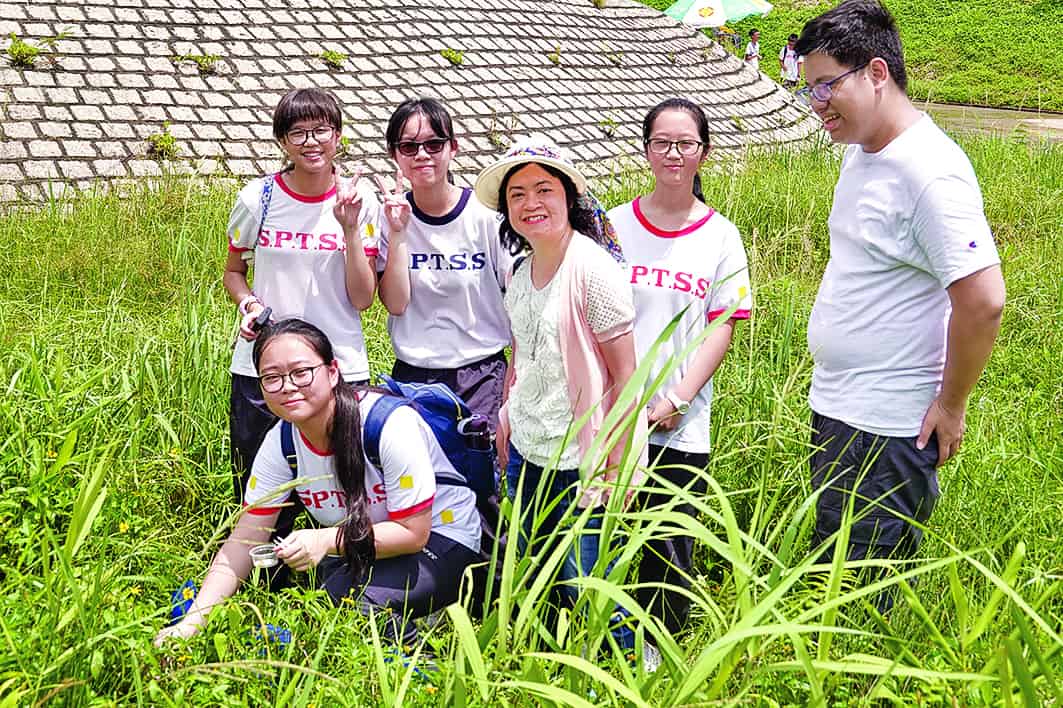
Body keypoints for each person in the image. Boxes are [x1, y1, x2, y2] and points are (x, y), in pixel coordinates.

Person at [795, 0, 1005, 603]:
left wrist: (951, 404)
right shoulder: (862, 153)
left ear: (878, 73)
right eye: (809, 88)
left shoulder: (931, 171)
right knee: (826, 577)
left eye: (828, 85)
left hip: (890, 427)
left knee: (863, 597)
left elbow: (984, 299)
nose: (818, 104)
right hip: (840, 406)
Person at [155, 319, 481, 646]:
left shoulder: (389, 425)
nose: (288, 386)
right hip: (369, 543)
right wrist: (192, 624)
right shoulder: (281, 443)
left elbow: (413, 533)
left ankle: (421, 661)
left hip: (441, 539)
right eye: (272, 378)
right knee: (327, 601)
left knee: (354, 606)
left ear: (333, 371)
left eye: (301, 372)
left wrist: (326, 541)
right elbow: (244, 542)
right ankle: (415, 613)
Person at [473, 135, 647, 652]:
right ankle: (548, 661)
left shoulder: (594, 270)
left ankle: (631, 668)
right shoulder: (521, 271)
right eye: (518, 194)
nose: (531, 204)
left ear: (568, 195)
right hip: (530, 447)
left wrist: (613, 471)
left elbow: (627, 380)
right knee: (533, 565)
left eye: (543, 190)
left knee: (590, 581)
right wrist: (507, 419)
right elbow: (521, 355)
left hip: (583, 456)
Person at [608, 98, 751, 635]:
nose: (673, 153)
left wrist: (677, 400)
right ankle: (602, 641)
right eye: (661, 142)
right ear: (645, 150)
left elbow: (723, 326)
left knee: (668, 545)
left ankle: (658, 651)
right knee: (604, 535)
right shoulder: (614, 226)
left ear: (703, 153)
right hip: (611, 417)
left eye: (685, 143)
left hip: (678, 424)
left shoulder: (721, 235)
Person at [224, 88, 382, 538]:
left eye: (321, 131)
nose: (311, 142)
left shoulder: (359, 200)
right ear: (282, 142)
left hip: (337, 367)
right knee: (260, 481)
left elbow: (363, 297)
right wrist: (248, 302)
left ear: (338, 136)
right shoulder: (260, 199)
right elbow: (234, 272)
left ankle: (341, 570)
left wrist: (350, 229)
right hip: (262, 366)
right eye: (298, 133)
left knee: (342, 479)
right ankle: (261, 573)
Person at [376, 97, 513, 432]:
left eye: (434, 144)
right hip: (412, 373)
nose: (422, 155)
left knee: (479, 478)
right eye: (409, 147)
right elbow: (395, 303)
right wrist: (398, 234)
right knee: (415, 480)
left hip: (480, 374)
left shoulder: (486, 217)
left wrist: (516, 373)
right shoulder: (389, 216)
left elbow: (518, 298)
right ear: (395, 155)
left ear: (453, 148)